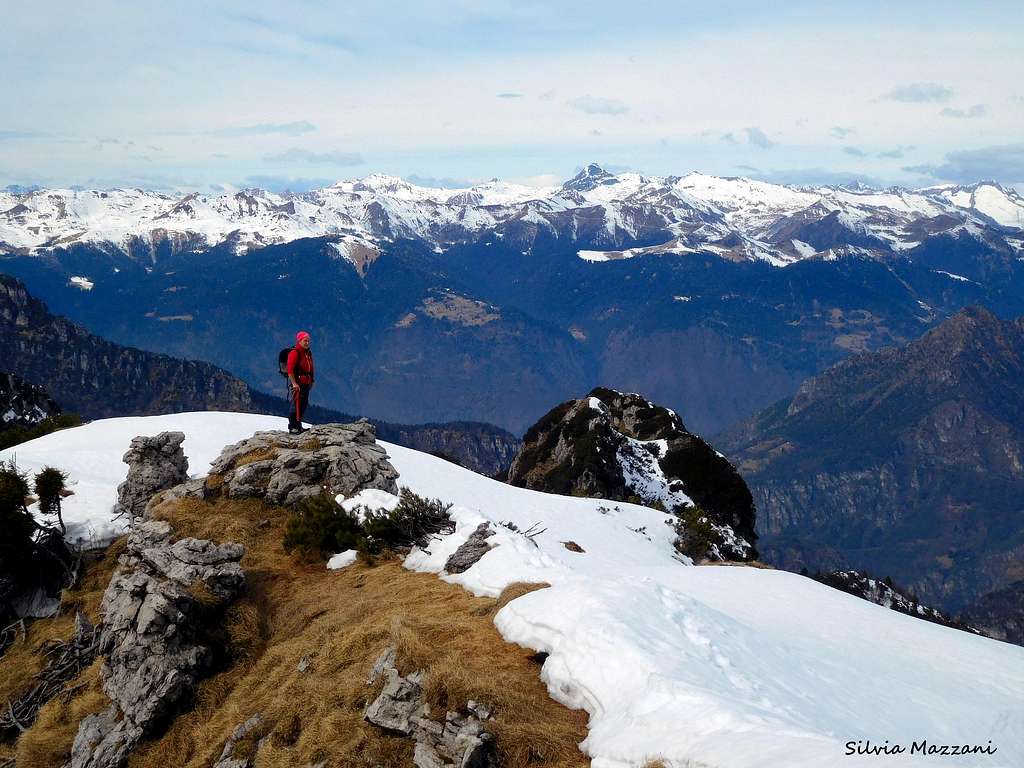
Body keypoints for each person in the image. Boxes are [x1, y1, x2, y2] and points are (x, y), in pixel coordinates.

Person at [287, 331, 314, 434]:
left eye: (308, 341)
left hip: (306, 382)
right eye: (305, 340)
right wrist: (294, 383)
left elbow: (311, 368)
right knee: (296, 404)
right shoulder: (295, 352)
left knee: (303, 404)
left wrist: (312, 380)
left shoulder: (308, 353)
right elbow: (290, 370)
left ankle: (298, 425)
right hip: (298, 382)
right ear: (299, 340)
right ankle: (293, 426)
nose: (307, 343)